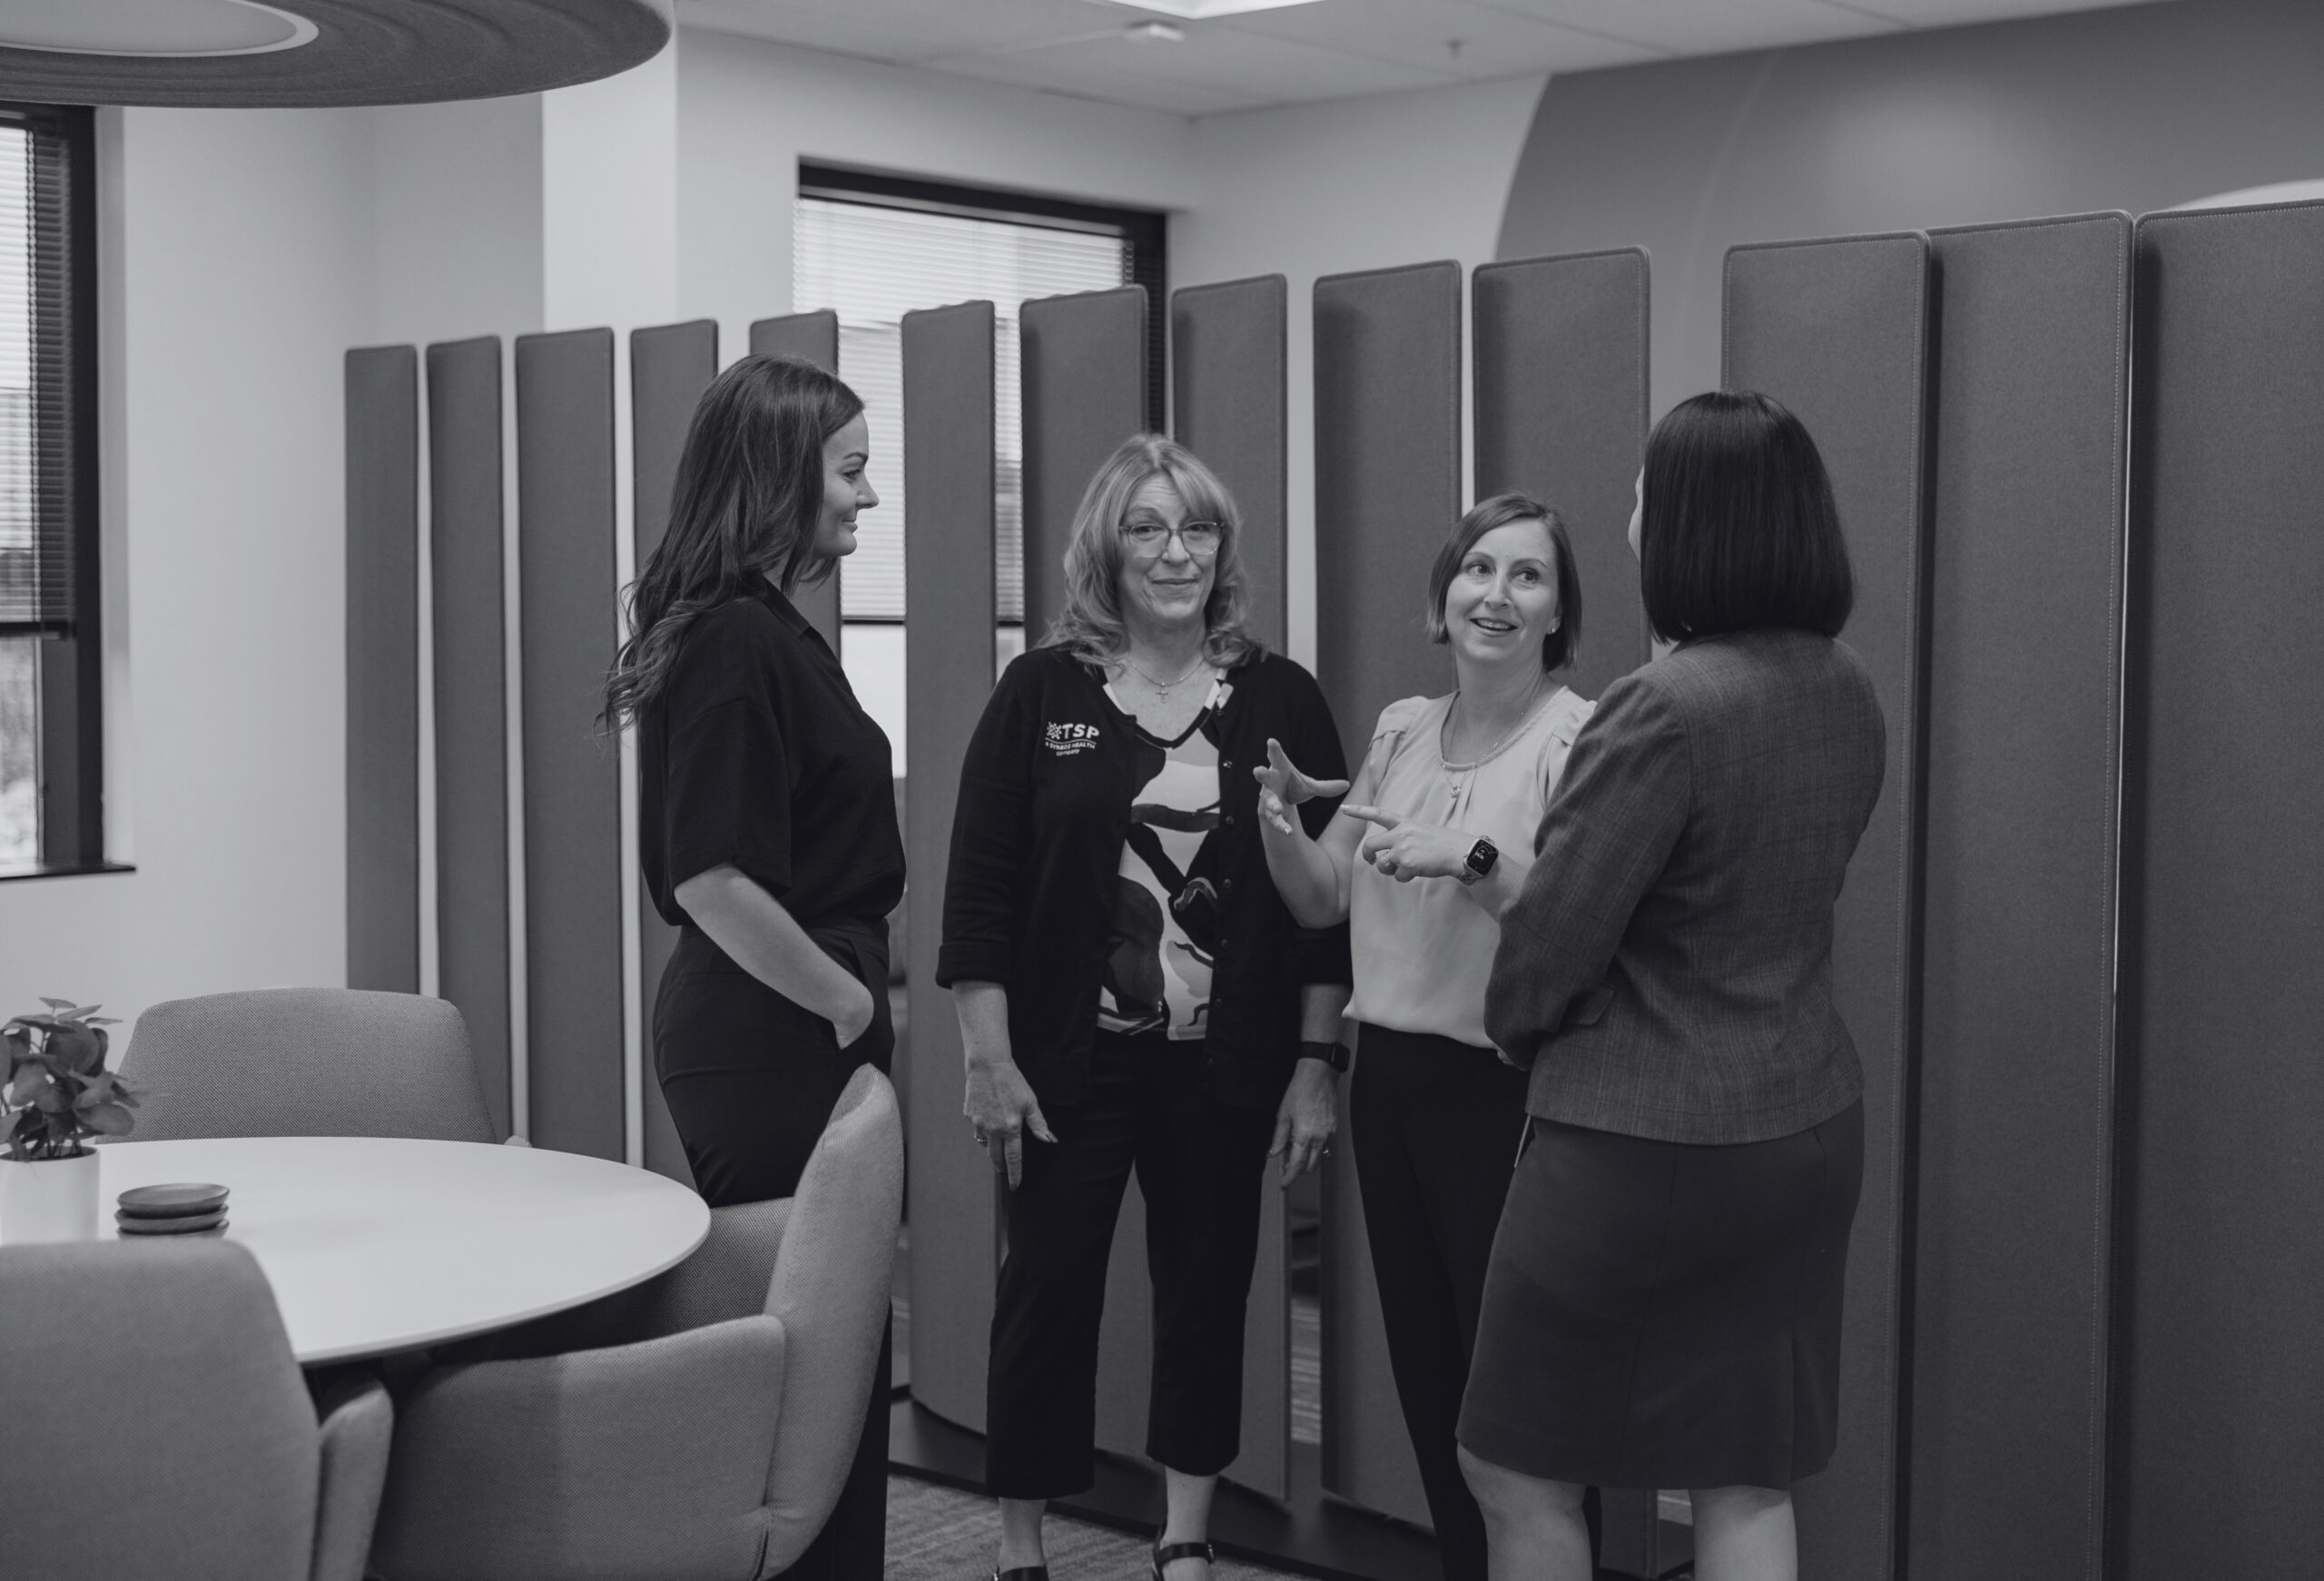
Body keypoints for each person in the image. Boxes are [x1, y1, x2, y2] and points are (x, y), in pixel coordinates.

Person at [1457, 391, 1884, 1581]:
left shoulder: (1665, 703)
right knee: (1744, 1474)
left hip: (1640, 1146)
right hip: (1803, 1125)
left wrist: (1514, 1031)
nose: (1633, 515)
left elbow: (1553, 940)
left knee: (1513, 1462)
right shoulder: (1842, 683)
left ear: (1695, 519)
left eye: (1647, 493)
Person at [939, 433, 1348, 1581]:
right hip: (1066, 1066)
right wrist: (988, 1057)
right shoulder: (1041, 693)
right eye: (1147, 529)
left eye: (1197, 529)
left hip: (1225, 1066)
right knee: (1046, 1293)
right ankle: (1020, 1542)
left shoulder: (1279, 696)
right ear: (1104, 549)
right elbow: (977, 895)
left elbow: (1329, 906)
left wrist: (1317, 1060)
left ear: (1222, 550)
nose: (1175, 554)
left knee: (1206, 1295)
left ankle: (1184, 1536)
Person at [1250, 491, 1601, 1581]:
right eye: (1477, 570)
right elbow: (1320, 899)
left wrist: (1473, 862)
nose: (1495, 594)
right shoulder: (1402, 725)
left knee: (1519, 1406)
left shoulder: (1576, 737)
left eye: (1525, 575)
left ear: (1556, 613)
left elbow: (1576, 925)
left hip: (1507, 1094)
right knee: (1432, 1381)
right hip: (1392, 1084)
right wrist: (1274, 824)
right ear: (1443, 597)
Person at [603, 353, 899, 1581]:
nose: (868, 500)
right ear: (779, 476)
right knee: (810, 1360)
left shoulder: (761, 626)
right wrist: (841, 1000)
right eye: (851, 471)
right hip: (777, 1031)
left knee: (827, 1350)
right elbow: (713, 878)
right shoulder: (734, 636)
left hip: (785, 1027)